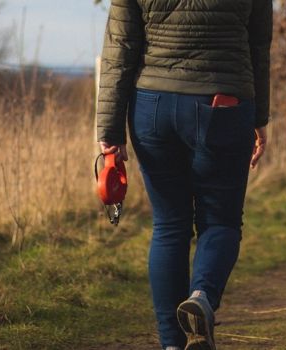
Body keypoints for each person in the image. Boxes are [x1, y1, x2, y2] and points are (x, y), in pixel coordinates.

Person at [96, 1, 272, 349]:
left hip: (152, 106)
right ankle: (202, 297)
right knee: (220, 222)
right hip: (224, 104)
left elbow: (120, 47)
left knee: (168, 226)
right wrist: (260, 117)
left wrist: (110, 132)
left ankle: (173, 344)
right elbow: (259, 45)